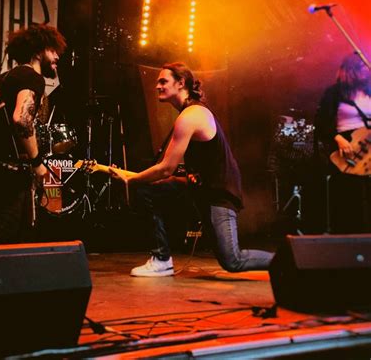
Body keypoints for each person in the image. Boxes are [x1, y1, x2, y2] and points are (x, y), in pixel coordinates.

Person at [110, 62, 274, 276]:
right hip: (201, 189)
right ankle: (161, 259)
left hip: (219, 194)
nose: (157, 86)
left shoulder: (191, 116)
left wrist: (130, 179)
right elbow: (169, 170)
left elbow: (165, 169)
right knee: (147, 189)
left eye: (163, 81)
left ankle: (290, 259)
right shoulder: (188, 113)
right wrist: (133, 178)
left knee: (232, 261)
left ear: (181, 83)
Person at [0, 24, 67, 244]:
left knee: (13, 221)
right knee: (7, 226)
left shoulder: (7, 77)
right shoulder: (31, 77)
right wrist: (37, 163)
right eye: (52, 50)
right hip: (0, 161)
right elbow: (22, 119)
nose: (57, 56)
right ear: (38, 51)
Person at [314, 52, 371, 233]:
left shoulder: (369, 90)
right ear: (352, 69)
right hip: (347, 146)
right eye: (362, 67)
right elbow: (321, 121)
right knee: (351, 194)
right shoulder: (335, 92)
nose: (366, 70)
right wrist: (338, 138)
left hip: (368, 144)